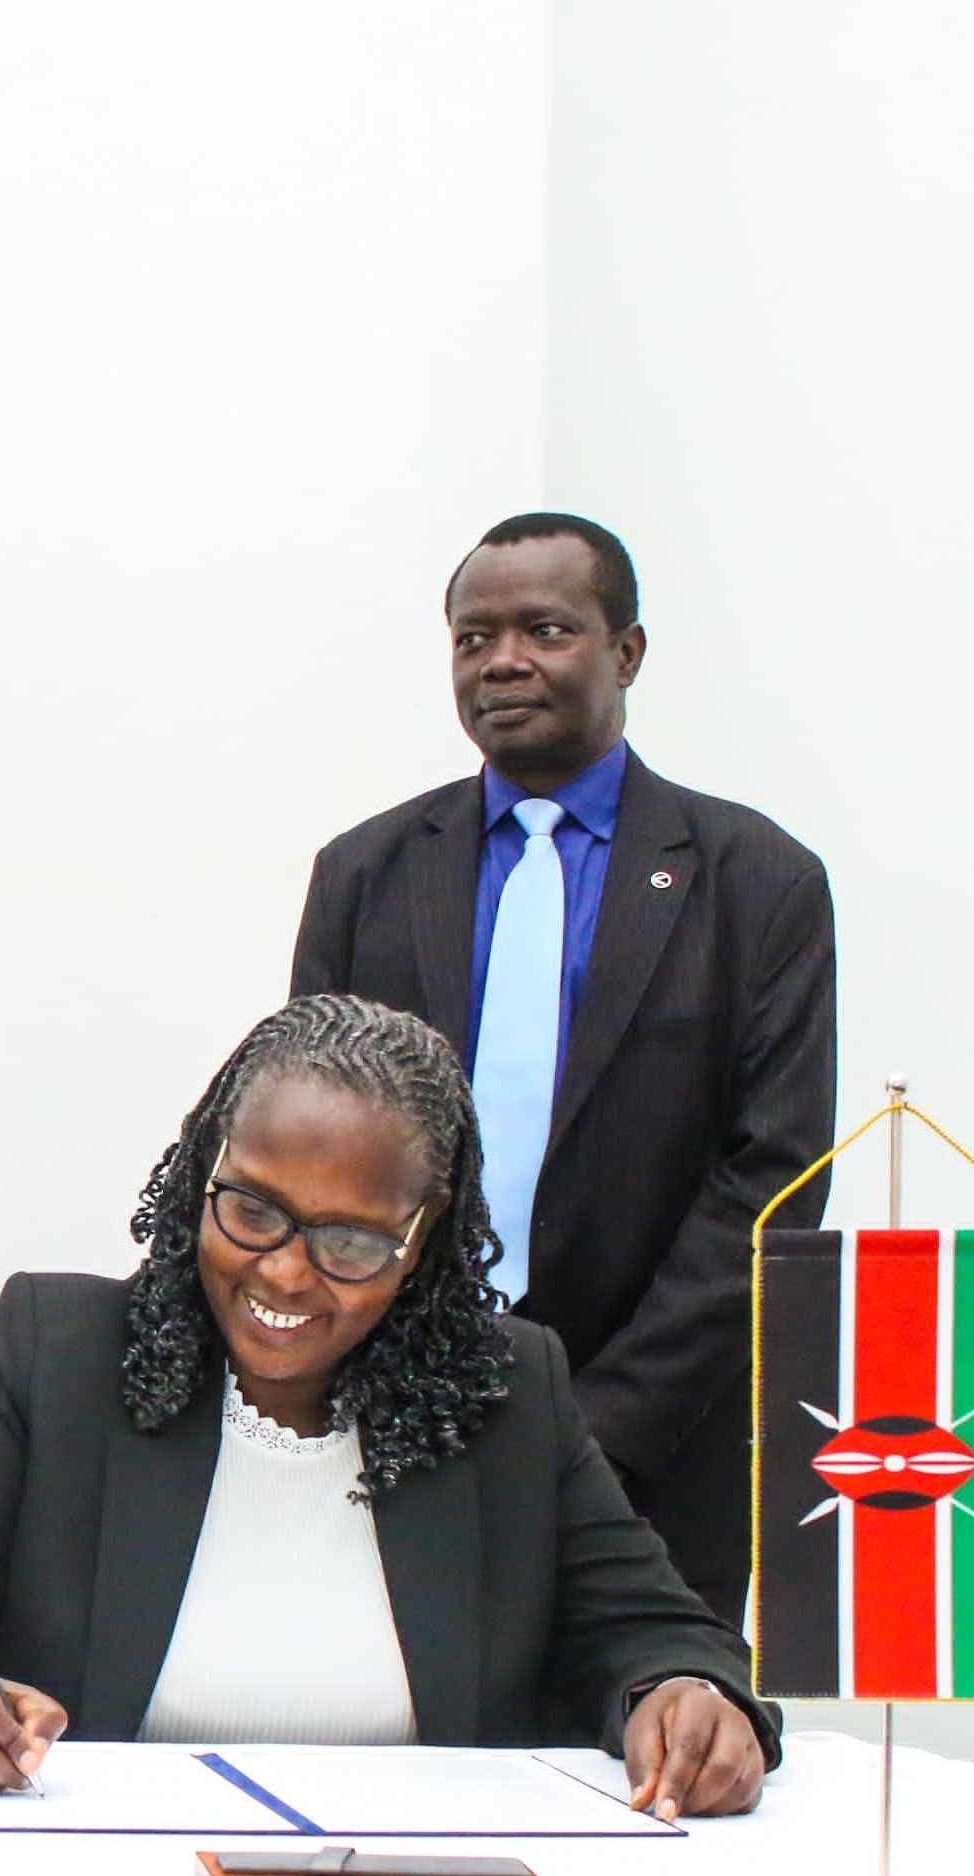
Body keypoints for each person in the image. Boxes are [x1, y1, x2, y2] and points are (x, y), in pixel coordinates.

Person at [0, 995, 773, 1817]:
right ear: (200, 1176)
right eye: (251, 1208)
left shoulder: (507, 1396)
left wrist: (683, 1695)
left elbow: (659, 1631)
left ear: (421, 1244)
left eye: (351, 1241)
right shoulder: (62, 1354)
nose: (287, 1272)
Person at [292, 513, 834, 1623]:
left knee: (643, 1760)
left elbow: (772, 1181)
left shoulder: (757, 879)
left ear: (624, 651)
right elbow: (306, 1155)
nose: (502, 660)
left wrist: (604, 1422)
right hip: (393, 1421)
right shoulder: (364, 873)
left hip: (662, 1446)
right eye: (470, 636)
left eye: (544, 628)